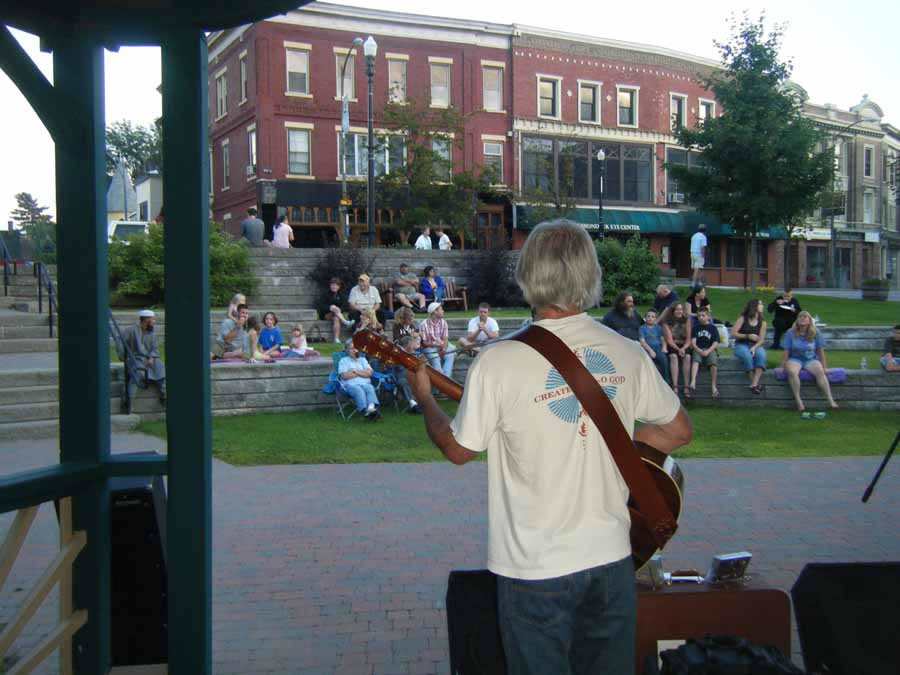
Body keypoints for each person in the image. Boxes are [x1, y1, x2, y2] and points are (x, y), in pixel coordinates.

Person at [407, 218, 692, 674]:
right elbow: (677, 431)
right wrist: (615, 439)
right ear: (589, 274)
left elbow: (459, 449)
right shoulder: (627, 351)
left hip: (533, 568)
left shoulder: (498, 361)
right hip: (613, 560)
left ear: (528, 275)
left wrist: (425, 399)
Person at [781, 311, 838, 412]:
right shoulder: (790, 332)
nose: (802, 318)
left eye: (805, 317)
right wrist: (782, 366)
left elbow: (820, 351)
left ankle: (831, 401)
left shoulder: (816, 332)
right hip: (795, 359)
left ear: (809, 321)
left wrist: (824, 367)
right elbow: (786, 350)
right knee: (792, 372)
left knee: (820, 372)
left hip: (810, 359)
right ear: (797, 320)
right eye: (800, 317)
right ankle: (799, 402)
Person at [117, 309, 167, 412]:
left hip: (151, 359)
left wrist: (152, 358)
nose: (154, 321)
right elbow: (120, 341)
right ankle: (128, 402)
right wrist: (121, 354)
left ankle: (164, 395)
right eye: (152, 319)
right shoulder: (131, 330)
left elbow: (154, 348)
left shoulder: (152, 332)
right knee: (137, 374)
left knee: (161, 369)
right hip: (136, 358)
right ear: (146, 320)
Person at [338, 339, 380, 420]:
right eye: (351, 348)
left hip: (365, 384)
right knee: (358, 390)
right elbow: (344, 376)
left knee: (370, 388)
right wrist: (362, 373)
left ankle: (370, 409)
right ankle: (367, 411)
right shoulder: (343, 361)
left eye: (356, 348)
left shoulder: (363, 360)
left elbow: (369, 373)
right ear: (347, 350)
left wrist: (354, 371)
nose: (354, 350)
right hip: (351, 385)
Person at [732, 299, 767, 395]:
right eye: (760, 304)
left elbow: (761, 339)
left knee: (761, 355)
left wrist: (754, 347)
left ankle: (754, 384)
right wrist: (747, 336)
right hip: (741, 344)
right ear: (754, 306)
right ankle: (754, 384)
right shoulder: (743, 318)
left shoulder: (763, 322)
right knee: (747, 356)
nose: (762, 306)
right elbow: (733, 333)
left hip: (755, 345)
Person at [661, 302, 692, 398]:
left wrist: (683, 348)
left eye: (681, 309)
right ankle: (675, 386)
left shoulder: (686, 320)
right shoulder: (666, 322)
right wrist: (678, 349)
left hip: (684, 345)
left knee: (687, 357)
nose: (680, 311)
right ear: (673, 311)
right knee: (673, 357)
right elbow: (669, 340)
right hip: (673, 344)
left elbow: (689, 339)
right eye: (677, 309)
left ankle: (686, 386)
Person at [419, 302, 455, 379]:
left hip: (441, 345)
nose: (443, 311)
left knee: (450, 353)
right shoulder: (424, 324)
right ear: (435, 312)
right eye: (441, 309)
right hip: (429, 347)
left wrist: (443, 349)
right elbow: (424, 343)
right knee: (435, 358)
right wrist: (436, 345)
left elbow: (445, 338)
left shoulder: (443, 322)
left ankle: (446, 379)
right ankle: (441, 380)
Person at [690, 307, 719, 399]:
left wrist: (708, 351)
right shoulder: (695, 328)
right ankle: (693, 381)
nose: (700, 317)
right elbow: (693, 343)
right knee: (695, 361)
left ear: (708, 316)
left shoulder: (713, 328)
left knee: (713, 364)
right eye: (699, 315)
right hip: (698, 348)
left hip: (710, 349)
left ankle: (714, 386)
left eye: (703, 315)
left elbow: (716, 342)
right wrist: (699, 350)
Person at [639, 309, 670, 385]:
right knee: (649, 361)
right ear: (645, 318)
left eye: (653, 317)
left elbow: (663, 339)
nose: (650, 318)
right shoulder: (642, 328)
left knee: (664, 359)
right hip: (648, 348)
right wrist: (650, 351)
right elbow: (642, 342)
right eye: (648, 316)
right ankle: (652, 381)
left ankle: (666, 380)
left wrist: (664, 347)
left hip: (658, 348)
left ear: (656, 319)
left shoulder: (658, 328)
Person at [317, 277, 353, 344]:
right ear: (330, 286)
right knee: (333, 307)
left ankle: (336, 339)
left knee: (336, 318)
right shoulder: (325, 294)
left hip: (337, 315)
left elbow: (345, 307)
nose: (334, 286)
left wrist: (340, 309)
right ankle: (345, 322)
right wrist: (330, 307)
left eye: (336, 285)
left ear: (339, 287)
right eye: (332, 285)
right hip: (326, 314)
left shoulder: (341, 295)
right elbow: (320, 306)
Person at [394, 334, 422, 414]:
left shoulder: (416, 354)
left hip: (415, 376)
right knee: (404, 382)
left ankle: (423, 402)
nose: (414, 346)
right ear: (407, 345)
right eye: (412, 344)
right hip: (402, 377)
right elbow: (398, 367)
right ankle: (412, 403)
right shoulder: (399, 355)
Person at [690, 223, 707, 289]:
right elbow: (703, 247)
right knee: (697, 269)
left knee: (699, 269)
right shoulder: (703, 237)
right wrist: (703, 256)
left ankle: (699, 282)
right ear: (705, 230)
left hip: (692, 253)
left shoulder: (694, 236)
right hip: (698, 254)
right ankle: (693, 284)